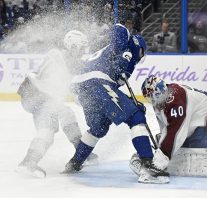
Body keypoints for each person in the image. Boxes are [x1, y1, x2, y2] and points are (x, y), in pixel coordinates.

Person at [62, 23, 169, 184]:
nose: (141, 56)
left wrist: (131, 103)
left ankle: (74, 163)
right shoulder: (129, 48)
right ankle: (148, 166)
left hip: (85, 87)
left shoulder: (113, 53)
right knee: (136, 117)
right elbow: (118, 29)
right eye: (142, 52)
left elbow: (112, 91)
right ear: (139, 46)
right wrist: (133, 108)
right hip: (97, 82)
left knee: (98, 128)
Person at [16, 30, 91, 178]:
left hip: (37, 95)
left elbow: (64, 82)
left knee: (66, 113)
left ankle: (80, 149)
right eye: (81, 48)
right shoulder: (58, 55)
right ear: (73, 46)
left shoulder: (60, 56)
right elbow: (67, 77)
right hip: (38, 95)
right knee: (47, 130)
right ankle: (27, 163)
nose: (83, 51)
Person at [129, 75, 207, 175]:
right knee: (177, 152)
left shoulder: (176, 101)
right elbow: (167, 128)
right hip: (196, 123)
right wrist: (160, 147)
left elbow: (176, 132)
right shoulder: (161, 98)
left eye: (151, 96)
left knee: (197, 159)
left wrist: (157, 164)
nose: (151, 100)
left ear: (158, 92)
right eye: (148, 97)